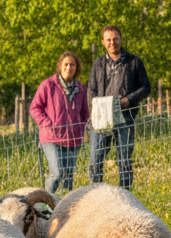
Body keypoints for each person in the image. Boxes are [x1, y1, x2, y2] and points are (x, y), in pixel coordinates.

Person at [86, 25, 150, 190]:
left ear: (121, 40)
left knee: (124, 160)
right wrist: (95, 111)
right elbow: (91, 90)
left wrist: (129, 100)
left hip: (125, 117)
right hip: (101, 119)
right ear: (103, 42)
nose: (112, 43)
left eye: (115, 39)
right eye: (108, 40)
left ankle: (125, 195)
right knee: (95, 159)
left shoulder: (134, 62)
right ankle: (96, 195)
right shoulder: (98, 64)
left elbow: (145, 87)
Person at [28, 51, 89, 194]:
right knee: (56, 173)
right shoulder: (48, 85)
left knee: (68, 176)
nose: (69, 67)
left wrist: (81, 129)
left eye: (72, 65)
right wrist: (47, 124)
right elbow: (34, 108)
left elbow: (85, 113)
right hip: (51, 137)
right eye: (66, 64)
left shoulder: (81, 89)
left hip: (73, 139)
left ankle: (65, 204)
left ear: (77, 68)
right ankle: (47, 202)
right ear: (60, 66)